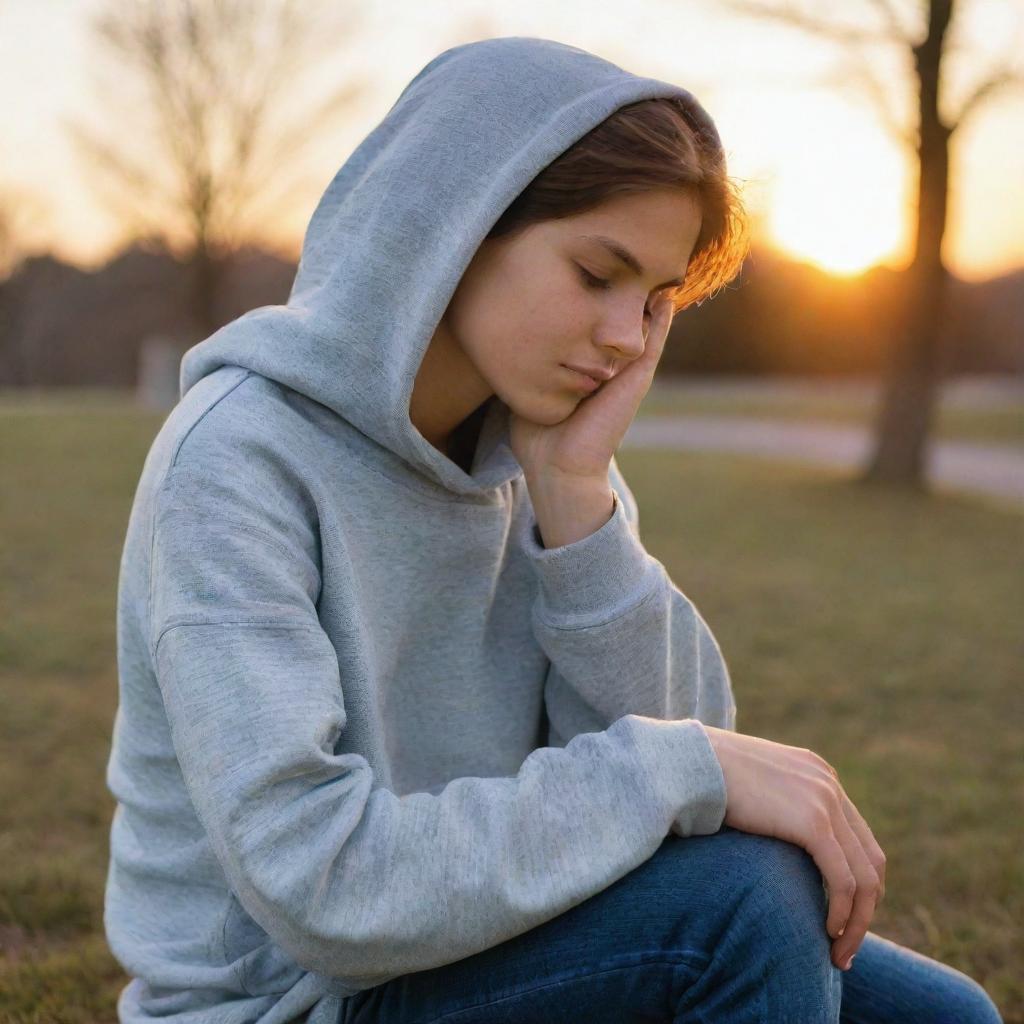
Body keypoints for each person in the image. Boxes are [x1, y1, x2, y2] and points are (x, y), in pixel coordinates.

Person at [102, 35, 1004, 1024]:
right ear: (455, 227)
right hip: (288, 1002)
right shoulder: (236, 463)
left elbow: (684, 793)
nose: (626, 338)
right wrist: (680, 766)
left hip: (486, 942)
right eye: (596, 274)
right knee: (742, 908)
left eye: (653, 301)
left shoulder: (539, 455)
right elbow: (324, 886)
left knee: (942, 1016)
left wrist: (577, 499)